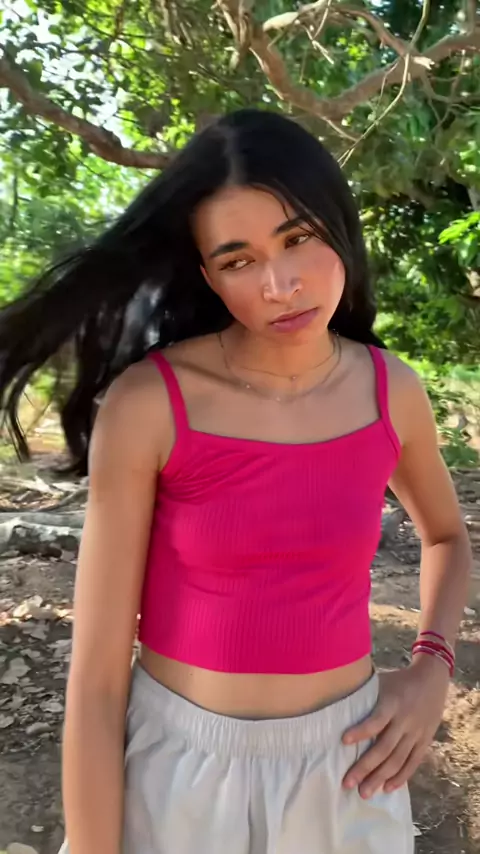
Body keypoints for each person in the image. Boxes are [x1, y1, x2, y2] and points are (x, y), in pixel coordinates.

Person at [0, 109, 471, 854]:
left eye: (299, 237)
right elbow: (96, 679)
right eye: (238, 260)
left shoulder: (391, 392)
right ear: (208, 276)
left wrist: (431, 667)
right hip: (179, 773)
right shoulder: (152, 405)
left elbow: (446, 535)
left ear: (339, 227)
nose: (280, 285)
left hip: (348, 771)